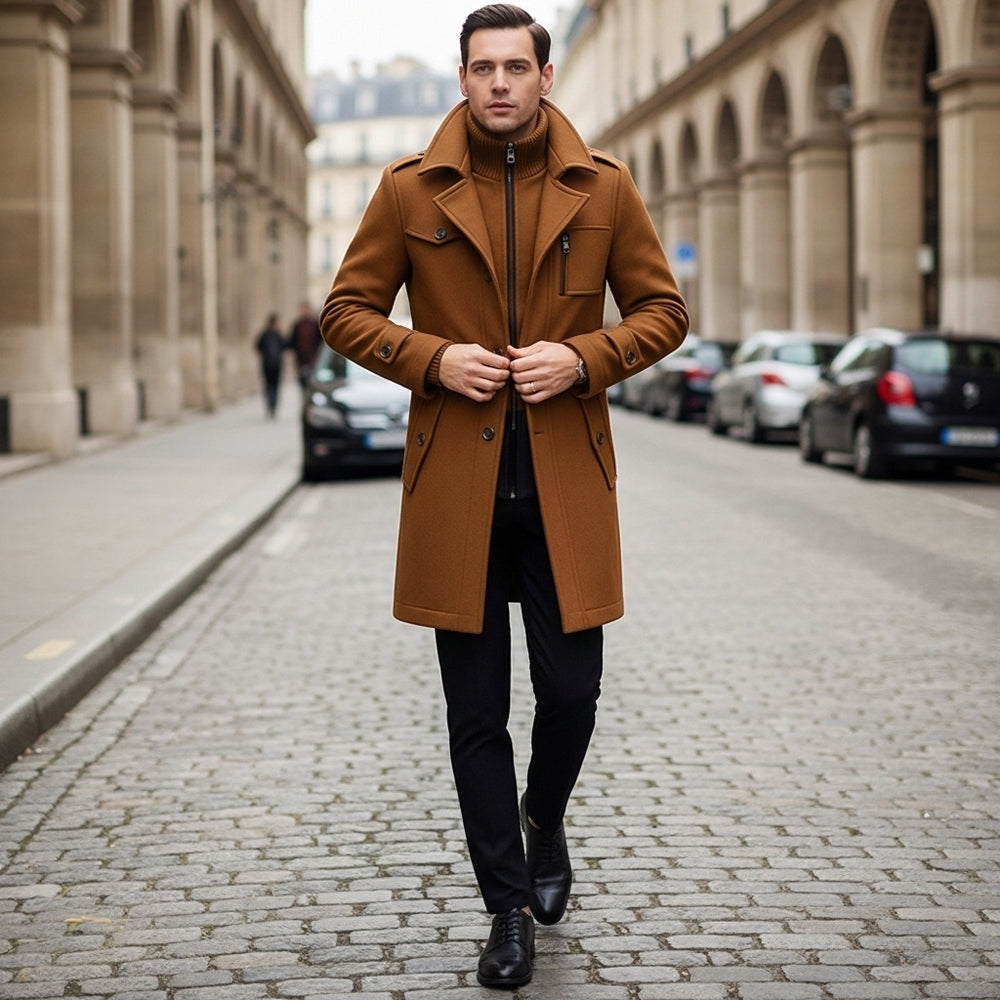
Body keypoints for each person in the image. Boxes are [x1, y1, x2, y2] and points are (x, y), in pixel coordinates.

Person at [320, 4, 688, 988]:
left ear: (545, 75)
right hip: (458, 492)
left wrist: (584, 356)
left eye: (514, 67)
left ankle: (545, 814)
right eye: (480, 68)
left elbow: (664, 311)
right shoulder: (408, 191)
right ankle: (507, 907)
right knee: (475, 713)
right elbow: (345, 312)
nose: (497, 84)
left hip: (567, 486)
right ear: (461, 78)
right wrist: (435, 358)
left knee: (570, 693)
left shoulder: (604, 186)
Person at [255, 313, 285, 417]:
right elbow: (284, 345)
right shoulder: (274, 334)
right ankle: (272, 406)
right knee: (273, 386)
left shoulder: (266, 334)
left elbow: (258, 347)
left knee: (270, 386)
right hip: (273, 365)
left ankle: (271, 406)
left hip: (270, 364)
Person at [287, 302, 322, 387]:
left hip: (313, 356)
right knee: (302, 378)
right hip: (301, 357)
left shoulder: (315, 324)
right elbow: (292, 340)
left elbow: (320, 339)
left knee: (312, 377)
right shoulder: (297, 325)